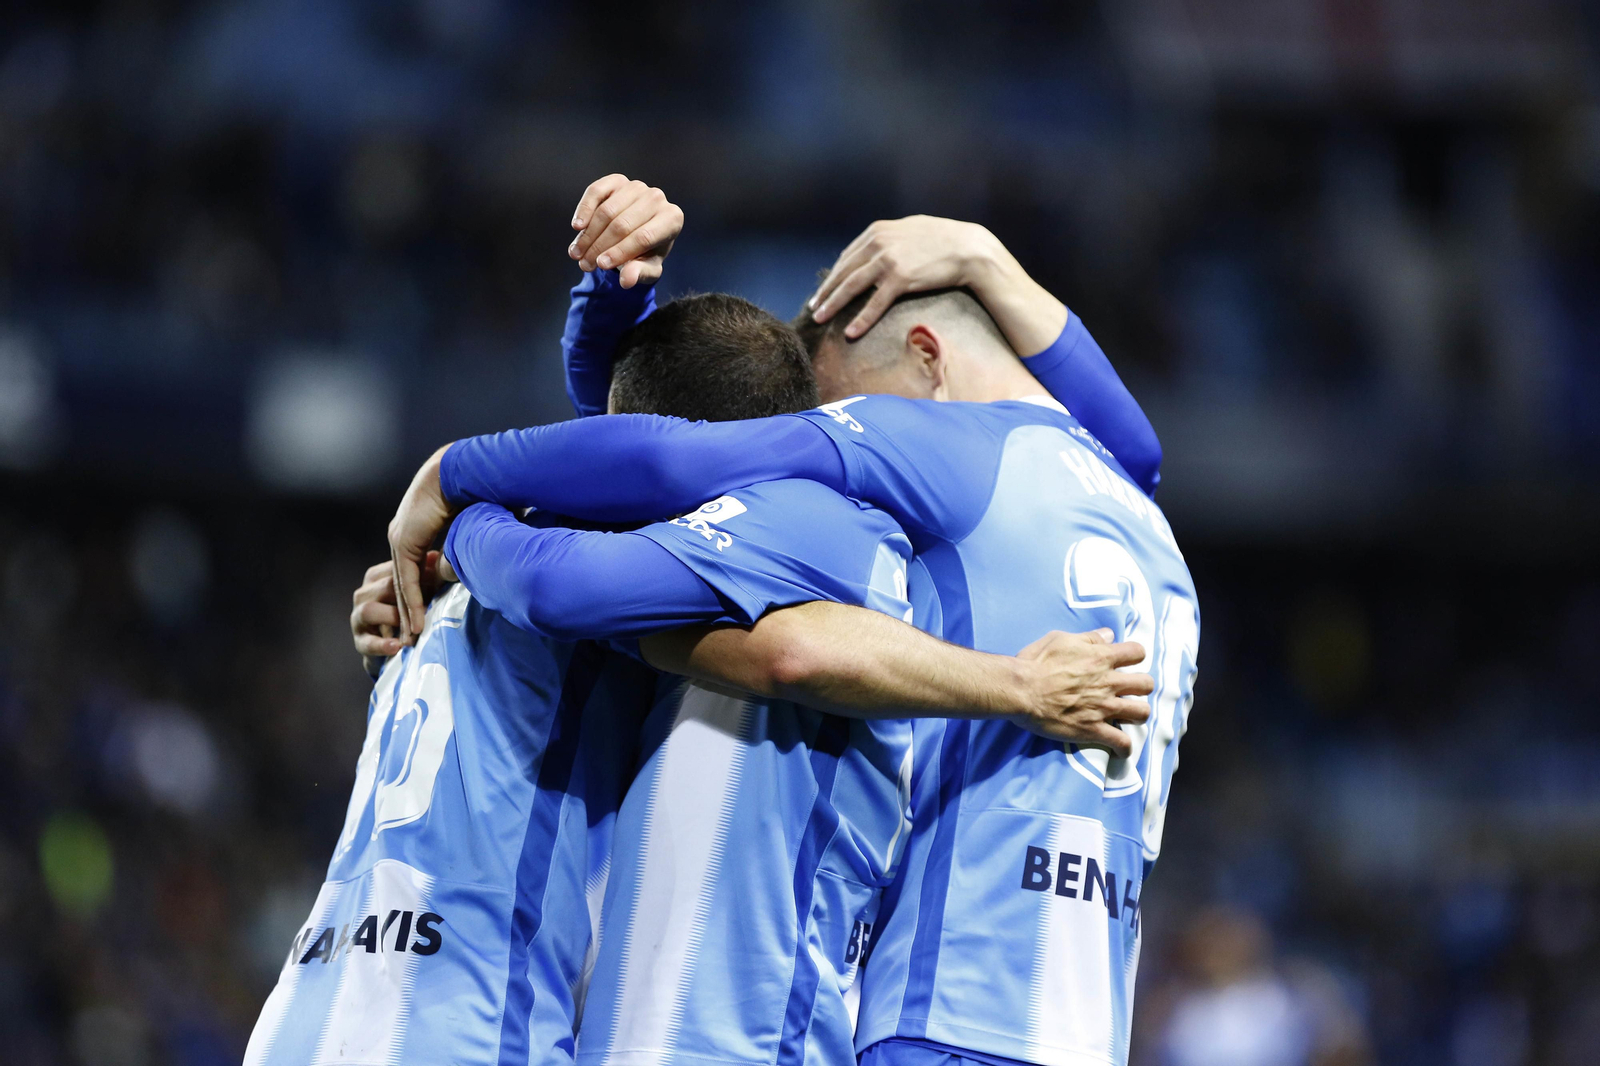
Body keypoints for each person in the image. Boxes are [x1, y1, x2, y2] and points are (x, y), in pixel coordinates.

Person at [286, 181, 1150, 1066]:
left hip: (327, 1017)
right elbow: (681, 524)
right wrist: (1017, 684)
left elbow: (638, 504)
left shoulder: (578, 556)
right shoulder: (770, 536)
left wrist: (457, 504)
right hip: (557, 1031)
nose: (852, 443)